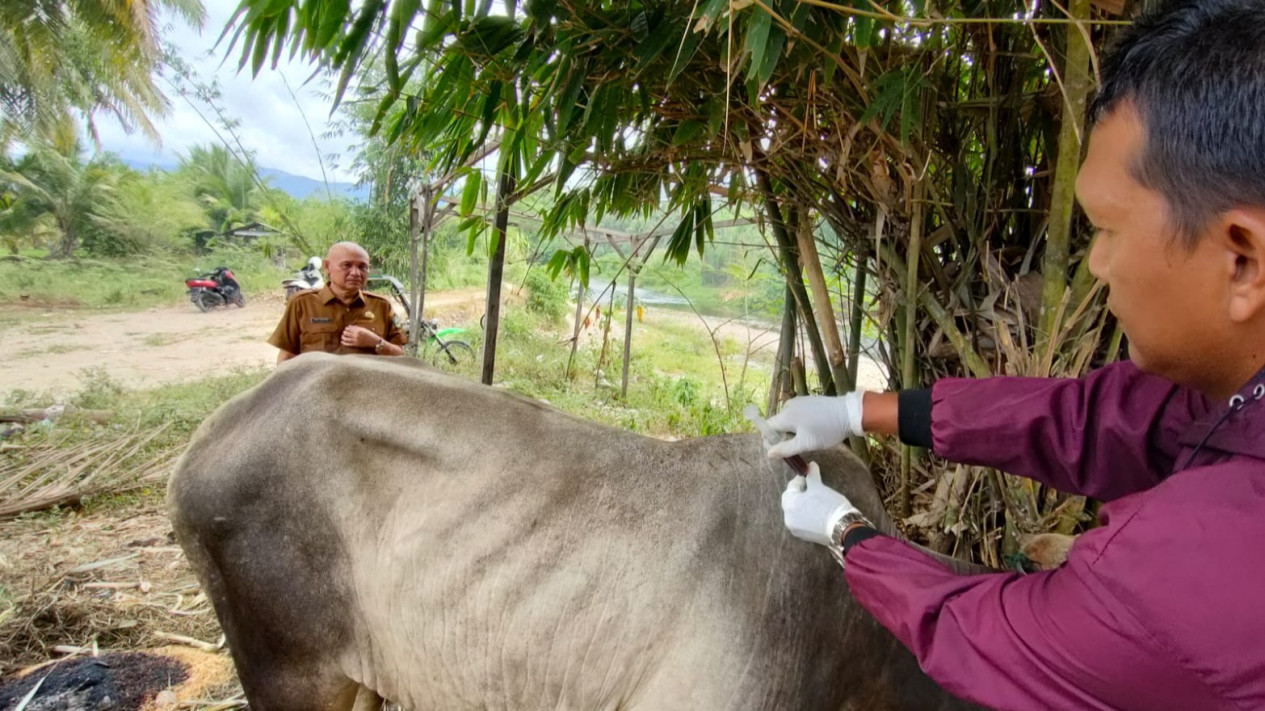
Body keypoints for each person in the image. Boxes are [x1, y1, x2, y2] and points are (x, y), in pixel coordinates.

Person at [766, 1, 1265, 709]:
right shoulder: (1236, 391)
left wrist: (844, 532)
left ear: (1240, 259)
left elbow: (989, 634)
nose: (1095, 264)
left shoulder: (1204, 572)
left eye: (1107, 230)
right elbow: (1096, 417)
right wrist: (857, 410)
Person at [268, 241, 407, 362]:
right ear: (327, 266)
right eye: (347, 265)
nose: (356, 273)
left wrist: (376, 342)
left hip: (366, 387)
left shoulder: (381, 306)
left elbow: (400, 355)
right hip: (319, 387)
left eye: (362, 267)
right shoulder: (302, 304)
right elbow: (286, 357)